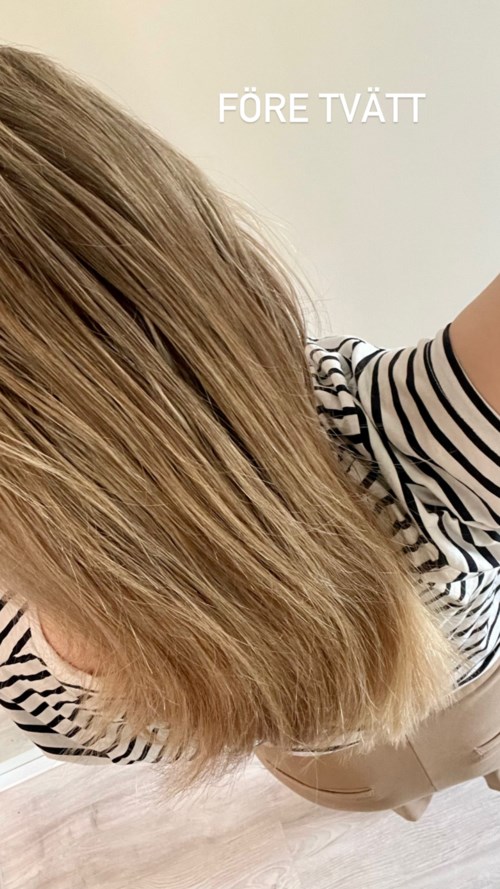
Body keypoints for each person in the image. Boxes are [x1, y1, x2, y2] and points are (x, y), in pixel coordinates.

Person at [0, 46, 498, 821]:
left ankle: (408, 799)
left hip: (338, 776)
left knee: (392, 793)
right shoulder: (413, 433)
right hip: (483, 712)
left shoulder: (23, 659)